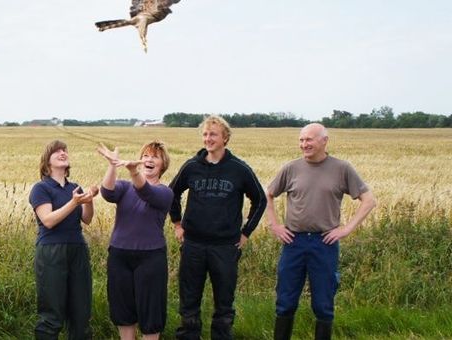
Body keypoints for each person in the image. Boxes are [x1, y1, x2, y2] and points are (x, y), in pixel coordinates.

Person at [266, 123, 376, 340]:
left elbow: (369, 200)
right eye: (301, 140)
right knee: (285, 302)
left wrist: (346, 229)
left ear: (324, 141)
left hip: (324, 244)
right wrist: (275, 226)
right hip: (293, 242)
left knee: (323, 304)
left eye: (309, 140)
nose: (304, 144)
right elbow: (267, 195)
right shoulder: (291, 168)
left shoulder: (341, 169)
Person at [169, 115, 267, 340]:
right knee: (189, 301)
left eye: (213, 134)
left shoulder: (239, 169)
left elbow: (260, 199)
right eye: (205, 134)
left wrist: (245, 233)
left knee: (224, 304)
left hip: (225, 246)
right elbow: (171, 193)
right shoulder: (192, 166)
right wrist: (177, 223)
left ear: (225, 138)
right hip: (193, 244)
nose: (208, 138)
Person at [97, 141, 174, 340]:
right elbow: (107, 192)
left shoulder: (165, 193)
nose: (149, 159)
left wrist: (133, 173)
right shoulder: (124, 187)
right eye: (146, 155)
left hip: (151, 258)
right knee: (123, 313)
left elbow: (146, 192)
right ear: (141, 160)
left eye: (155, 157)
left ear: (162, 164)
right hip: (119, 256)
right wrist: (113, 165)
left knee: (151, 312)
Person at [29, 140, 98, 340]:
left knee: (81, 313)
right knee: (52, 313)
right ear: (47, 161)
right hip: (51, 251)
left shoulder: (75, 187)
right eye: (57, 151)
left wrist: (89, 200)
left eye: (65, 150)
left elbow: (87, 219)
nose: (62, 153)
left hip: (77, 249)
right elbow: (48, 220)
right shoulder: (41, 188)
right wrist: (74, 202)